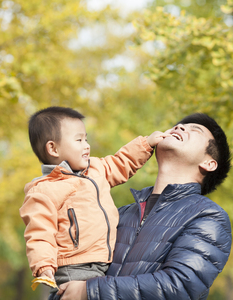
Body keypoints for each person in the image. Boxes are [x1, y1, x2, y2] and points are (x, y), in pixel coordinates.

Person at [56, 113, 232, 300]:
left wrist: (90, 291)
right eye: (178, 125)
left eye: (194, 129)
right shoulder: (121, 214)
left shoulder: (208, 216)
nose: (179, 127)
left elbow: (179, 287)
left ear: (209, 163)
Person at [19, 106, 170, 298]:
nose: (86, 145)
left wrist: (146, 144)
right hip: (75, 267)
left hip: (108, 262)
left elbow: (120, 163)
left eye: (86, 139)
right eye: (79, 140)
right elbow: (40, 233)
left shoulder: (95, 169)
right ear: (53, 148)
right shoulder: (44, 190)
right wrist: (43, 266)